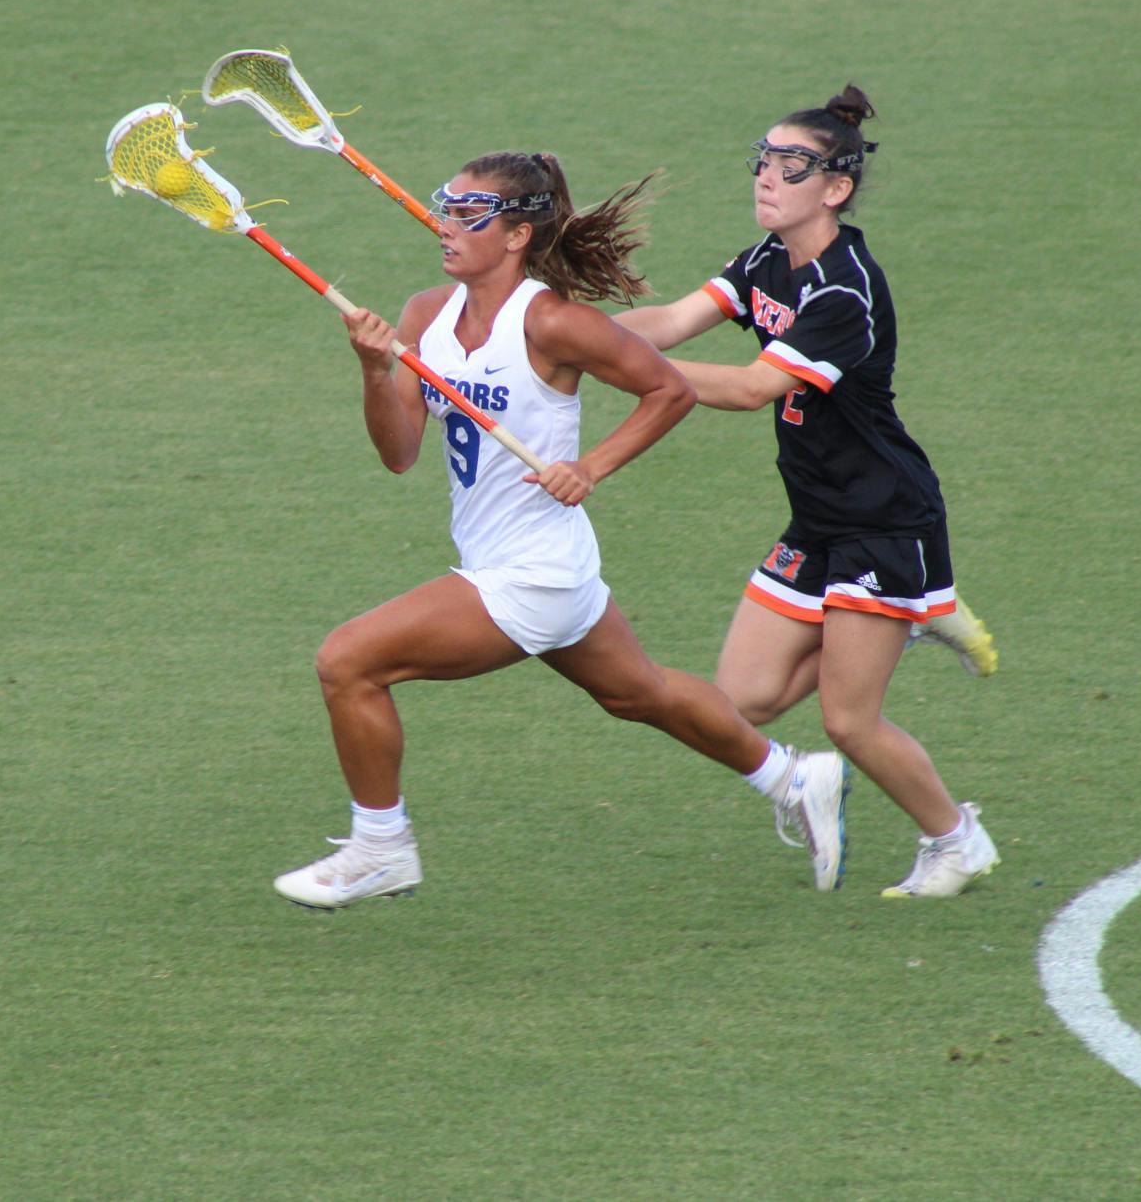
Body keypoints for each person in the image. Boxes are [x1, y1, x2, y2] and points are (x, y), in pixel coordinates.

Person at [274, 152, 849, 909]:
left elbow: (667, 389)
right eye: (446, 206)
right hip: (525, 560)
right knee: (639, 693)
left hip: (535, 572)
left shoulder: (552, 322)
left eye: (470, 213)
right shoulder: (424, 316)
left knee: (347, 662)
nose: (447, 224)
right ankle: (796, 777)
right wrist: (375, 372)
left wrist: (591, 467)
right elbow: (399, 453)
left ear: (516, 236)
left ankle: (381, 846)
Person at [616, 87, 998, 898]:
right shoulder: (764, 262)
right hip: (819, 516)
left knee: (847, 720)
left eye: (792, 166)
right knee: (742, 700)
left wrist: (620, 369)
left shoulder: (840, 292)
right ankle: (914, 615)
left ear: (836, 188)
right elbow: (676, 321)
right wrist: (561, 328)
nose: (766, 177)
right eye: (763, 158)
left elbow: (752, 387)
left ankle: (957, 840)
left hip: (885, 520)